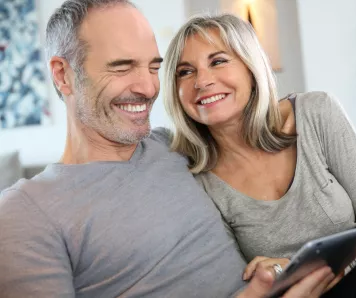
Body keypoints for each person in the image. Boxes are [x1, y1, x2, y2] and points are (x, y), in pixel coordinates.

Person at [0, 1, 333, 297]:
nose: (147, 88)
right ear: (63, 75)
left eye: (154, 67)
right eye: (122, 66)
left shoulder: (175, 148)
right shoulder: (24, 212)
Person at [163, 13, 356, 297]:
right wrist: (280, 274)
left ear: (251, 67)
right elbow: (241, 281)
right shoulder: (197, 179)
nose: (201, 81)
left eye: (218, 61)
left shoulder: (315, 112)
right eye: (185, 72)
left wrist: (337, 270)